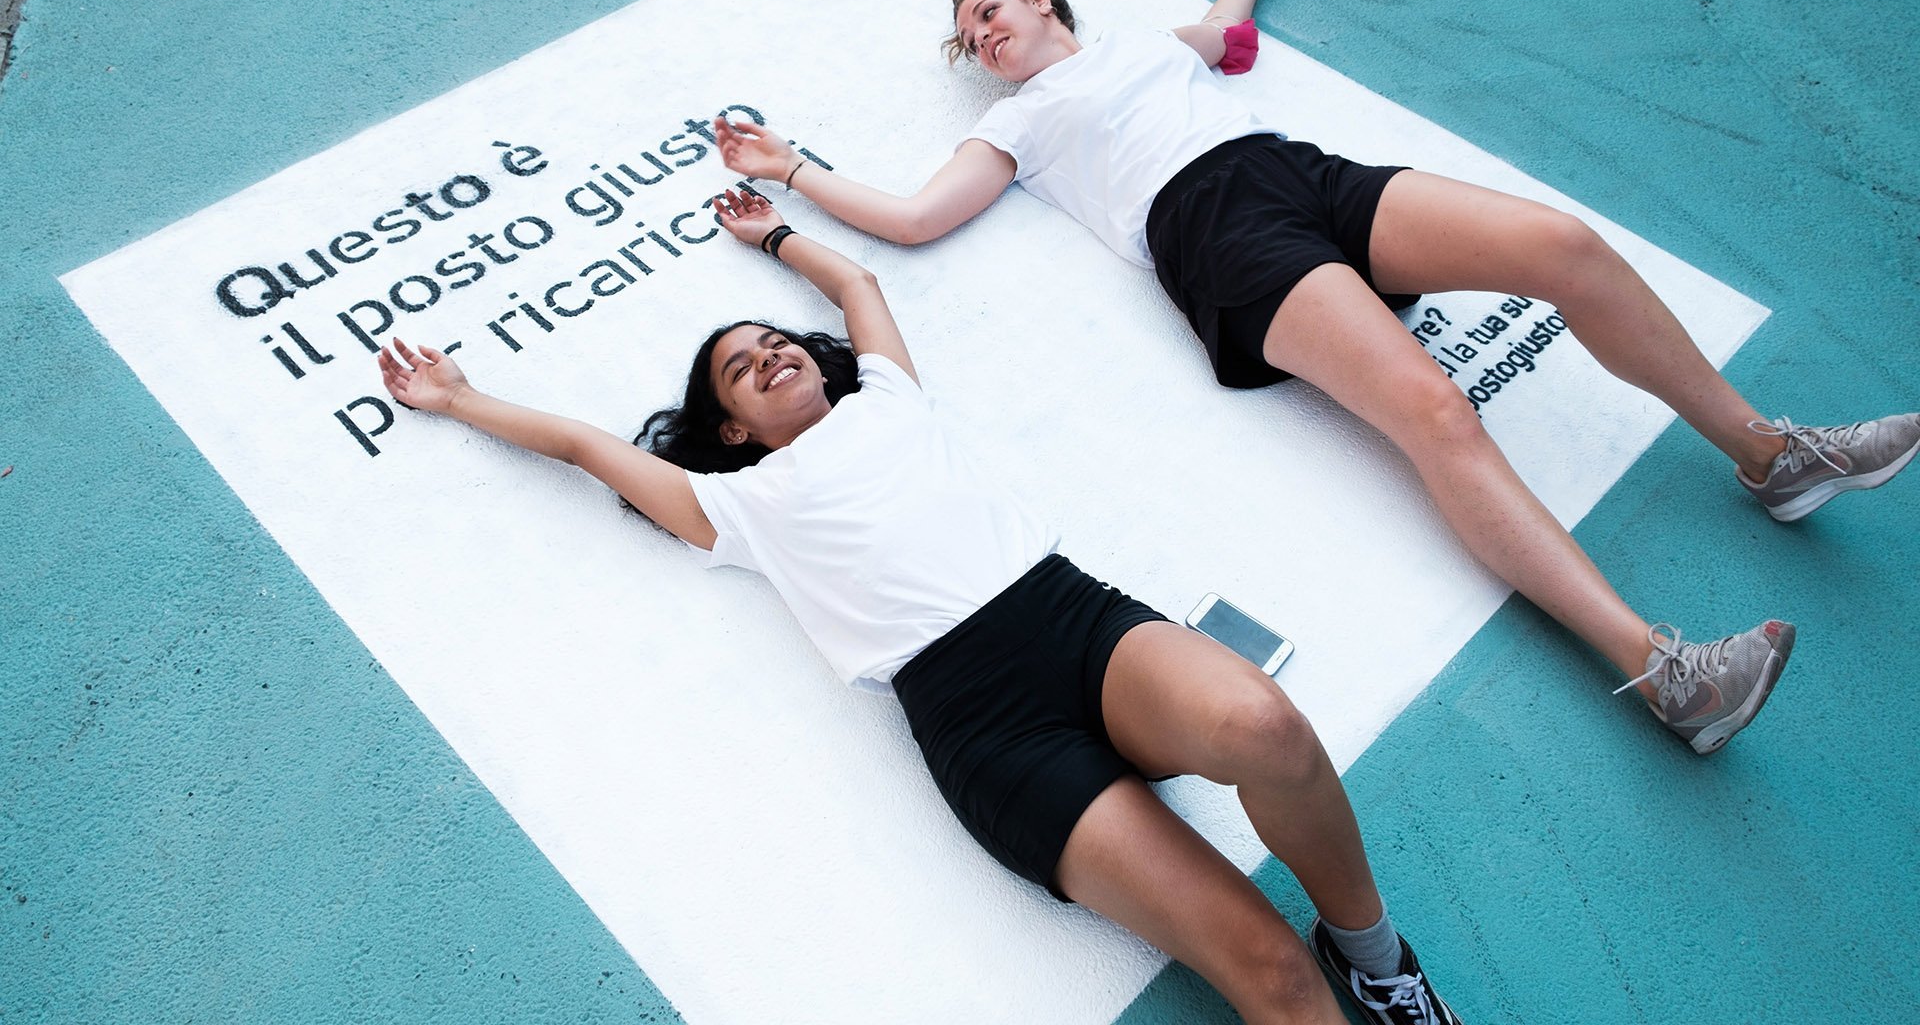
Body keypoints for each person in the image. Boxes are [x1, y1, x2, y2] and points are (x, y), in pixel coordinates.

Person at [709, 0, 1920, 756]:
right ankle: (1665, 672)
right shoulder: (1021, 122)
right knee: (1434, 412)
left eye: (989, 11)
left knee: (1564, 245)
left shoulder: (1140, 43)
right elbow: (916, 218)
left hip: (1301, 176)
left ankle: (1773, 454)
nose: (981, 37)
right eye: (968, 37)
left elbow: (1224, 35)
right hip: (1212, 230)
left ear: (1044, 3)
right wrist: (792, 173)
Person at [378, 189, 1463, 1025]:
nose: (769, 355)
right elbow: (584, 445)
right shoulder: (737, 505)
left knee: (1267, 727)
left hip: (1071, 621)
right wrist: (460, 397)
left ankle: (1375, 961)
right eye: (741, 371)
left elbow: (856, 285)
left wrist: (773, 234)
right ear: (734, 429)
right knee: (1267, 973)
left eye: (773, 341)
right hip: (986, 726)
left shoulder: (888, 394)